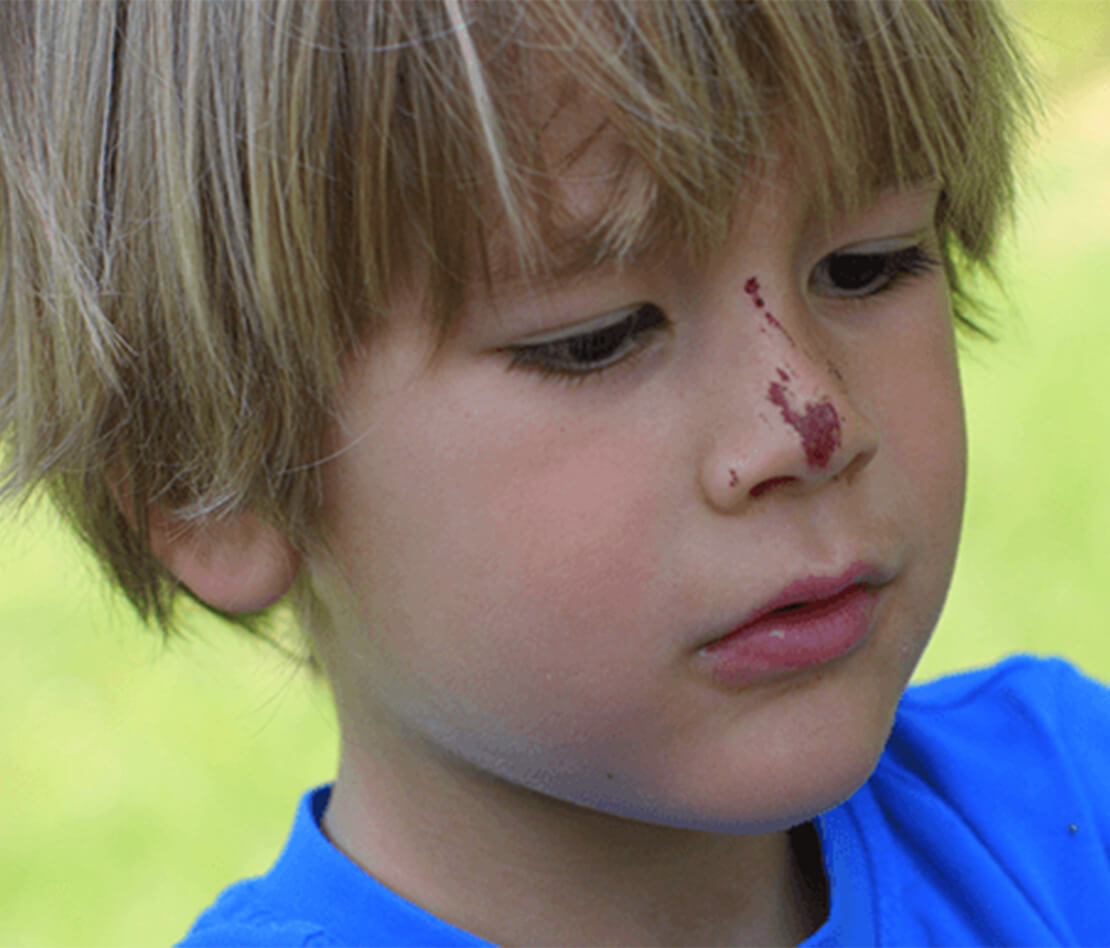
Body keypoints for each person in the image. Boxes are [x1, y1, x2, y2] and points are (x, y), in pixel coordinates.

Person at [2, 1, 1107, 944]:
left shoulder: (1065, 810)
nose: (812, 423)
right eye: (598, 337)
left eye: (869, 265)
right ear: (209, 482)